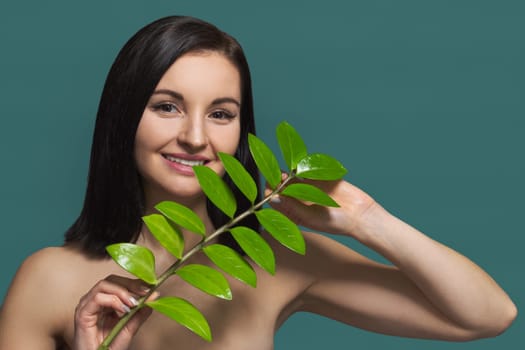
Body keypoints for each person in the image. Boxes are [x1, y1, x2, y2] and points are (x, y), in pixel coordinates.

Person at [0, 16, 517, 350]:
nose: (195, 137)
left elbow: (488, 316)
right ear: (123, 118)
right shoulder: (48, 281)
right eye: (166, 106)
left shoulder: (276, 259)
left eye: (221, 114)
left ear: (241, 134)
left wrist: (366, 220)